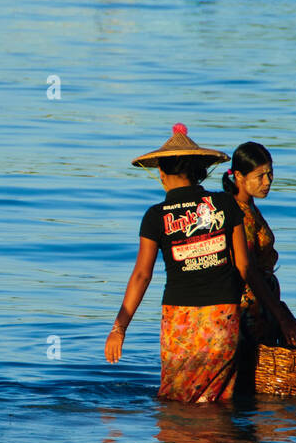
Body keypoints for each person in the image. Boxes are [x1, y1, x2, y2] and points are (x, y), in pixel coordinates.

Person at [105, 123, 249, 403]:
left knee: (176, 395)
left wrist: (119, 328)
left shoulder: (155, 215)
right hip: (222, 316)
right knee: (214, 400)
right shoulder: (224, 204)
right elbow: (245, 267)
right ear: (198, 171)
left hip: (179, 320)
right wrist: (278, 314)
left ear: (161, 172)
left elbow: (141, 276)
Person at [222, 142, 296, 349]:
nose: (267, 182)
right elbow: (248, 270)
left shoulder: (249, 207)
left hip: (261, 301)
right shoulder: (239, 214)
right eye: (260, 176)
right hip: (247, 308)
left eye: (270, 174)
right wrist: (281, 316)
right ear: (239, 176)